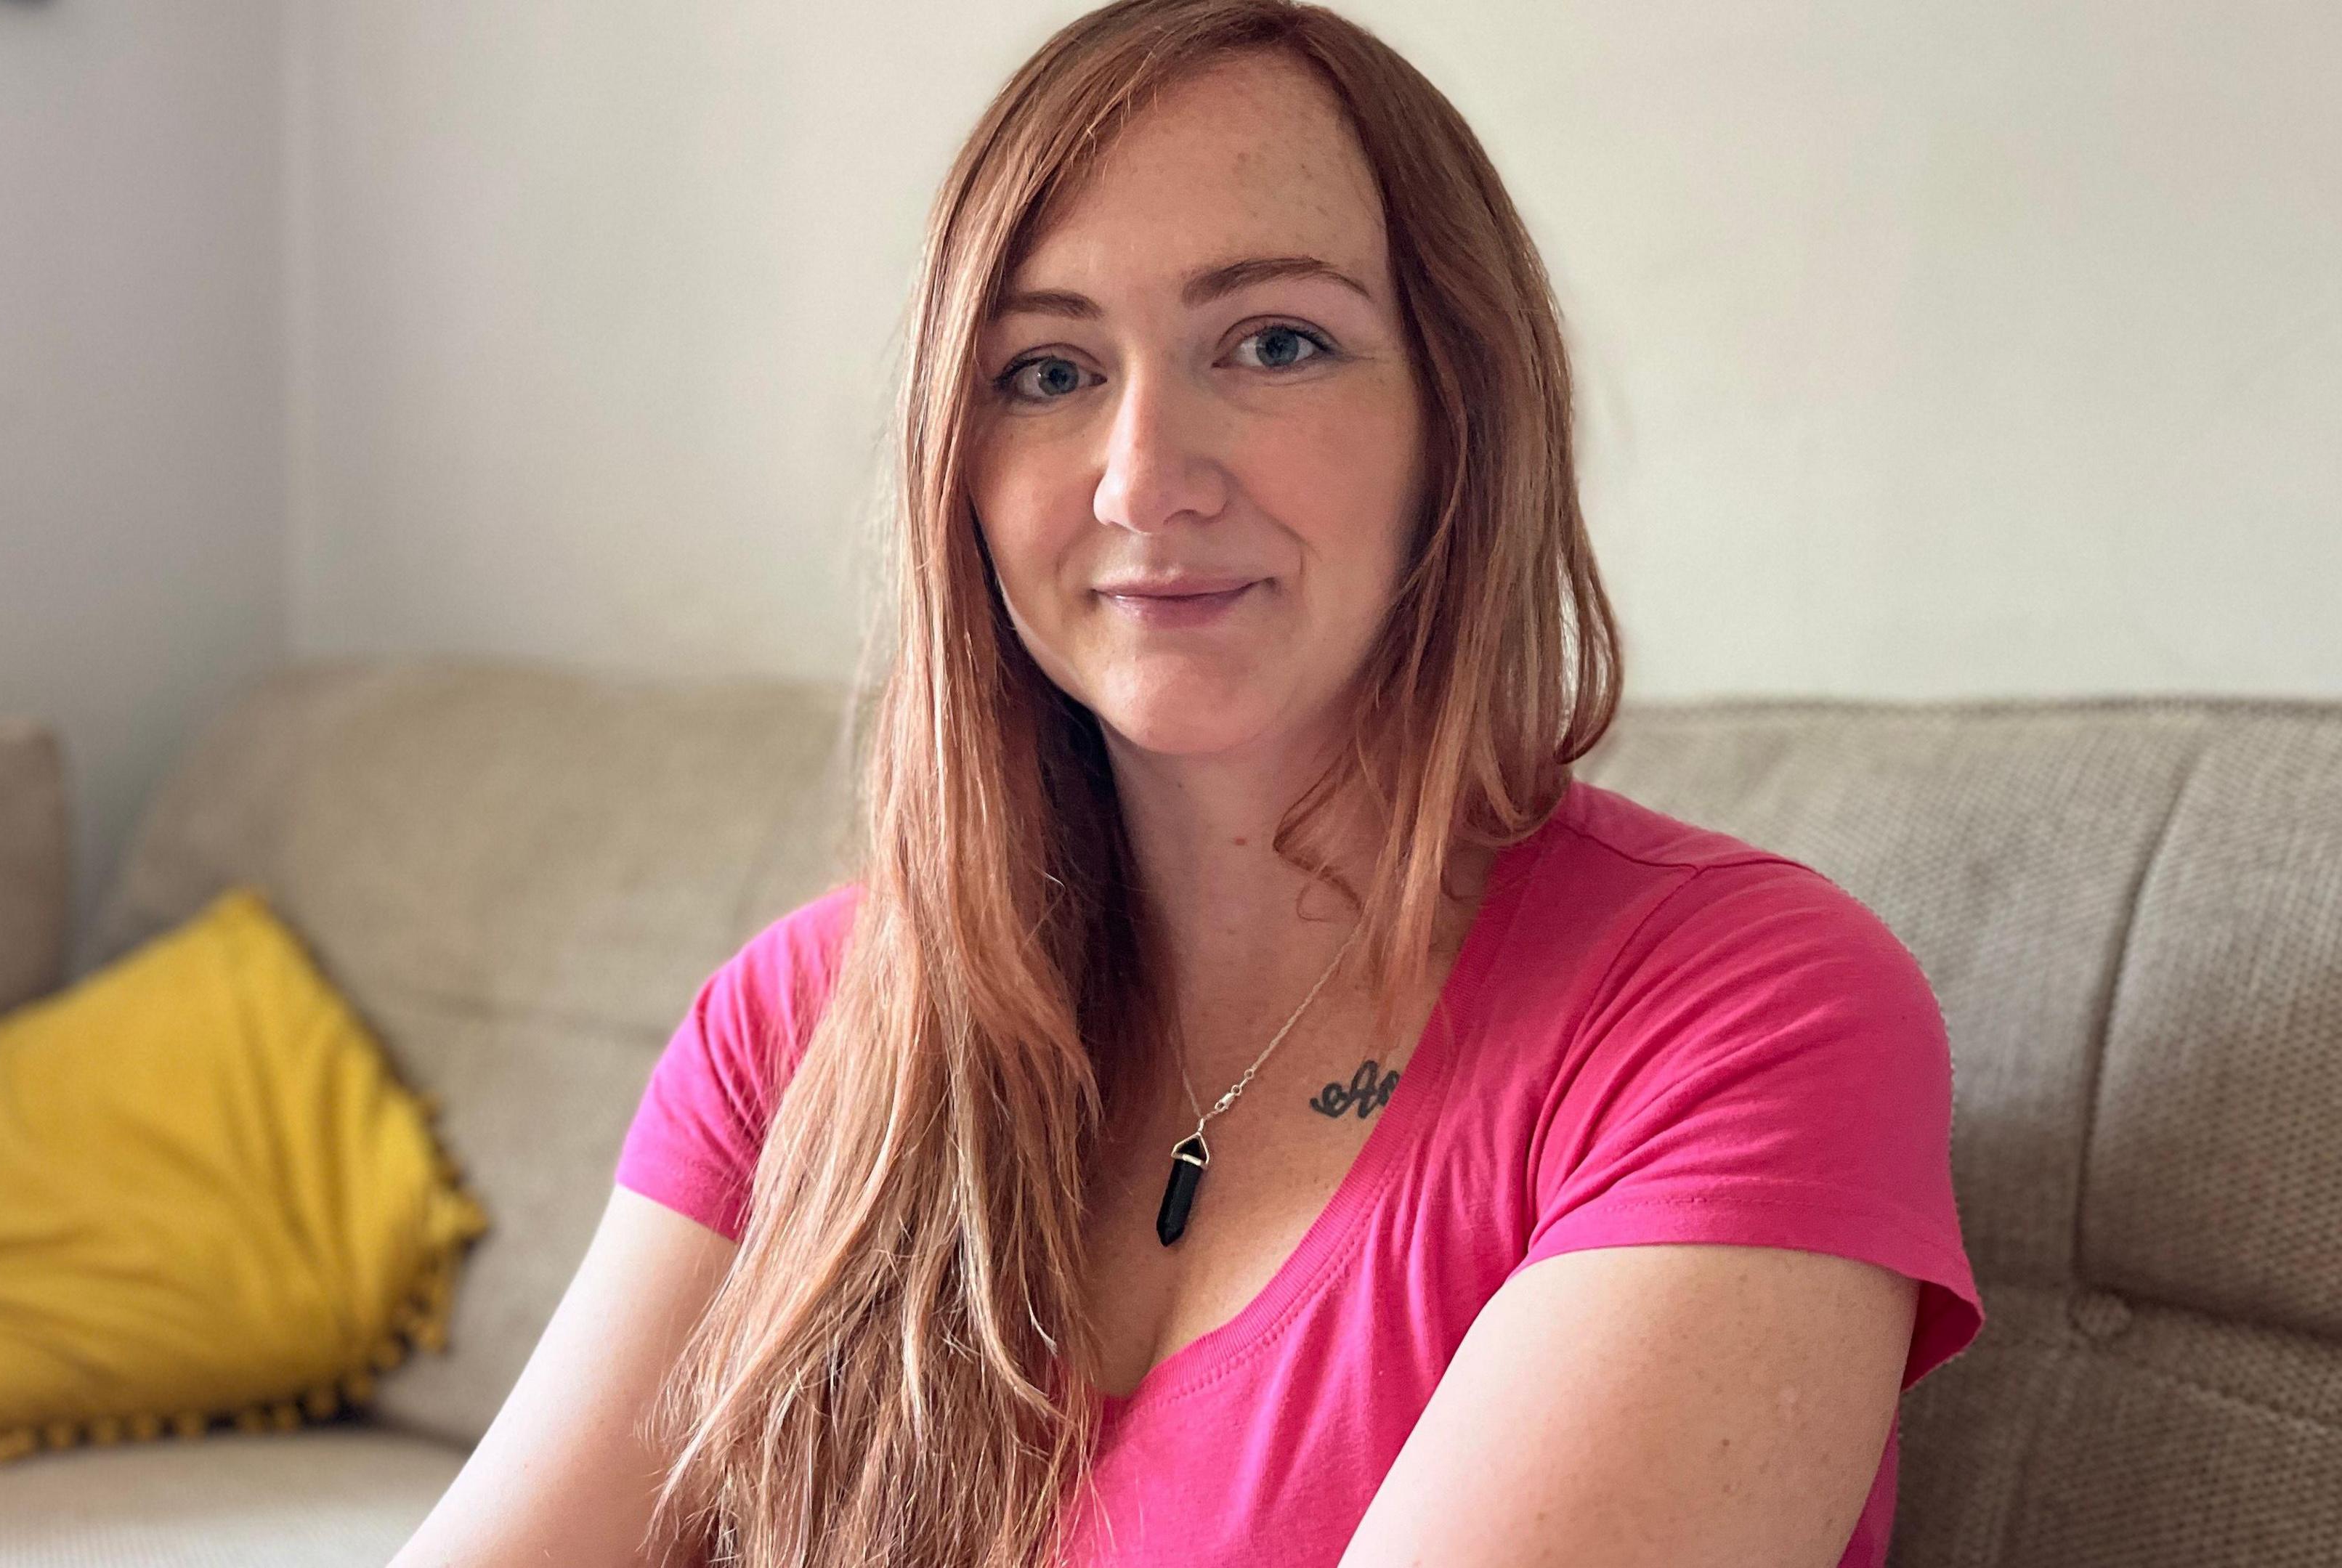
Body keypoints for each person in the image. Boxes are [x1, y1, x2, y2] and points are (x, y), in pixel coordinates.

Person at [389, 1, 1981, 1564]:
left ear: (1460, 421)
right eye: (1048, 371)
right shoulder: (801, 1025)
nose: (1145, 475)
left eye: (1275, 342)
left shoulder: (1740, 1019)